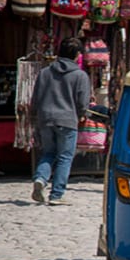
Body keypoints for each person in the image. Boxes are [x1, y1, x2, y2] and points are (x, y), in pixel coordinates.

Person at [30, 37, 91, 206]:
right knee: (65, 157)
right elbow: (82, 102)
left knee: (48, 153)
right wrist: (82, 114)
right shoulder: (80, 75)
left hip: (45, 119)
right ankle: (57, 194)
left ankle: (41, 179)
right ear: (77, 55)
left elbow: (35, 98)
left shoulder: (45, 72)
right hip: (67, 120)